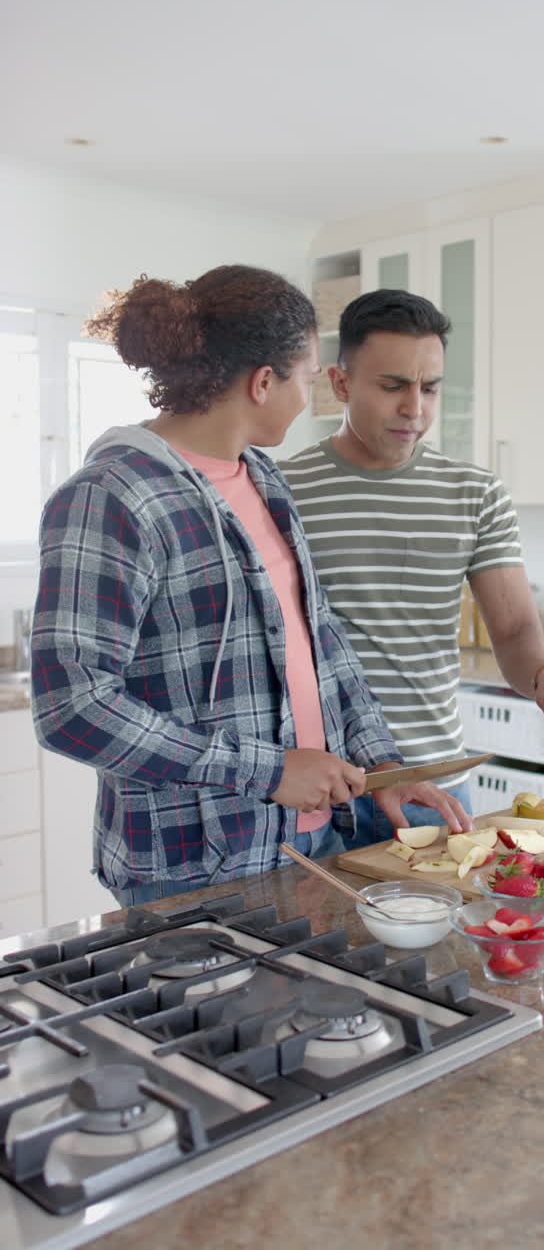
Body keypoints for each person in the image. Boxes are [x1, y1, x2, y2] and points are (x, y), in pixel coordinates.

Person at [30, 268, 474, 907]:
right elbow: (71, 706)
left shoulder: (263, 480)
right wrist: (268, 771)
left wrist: (383, 768)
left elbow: (322, 644)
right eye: (308, 377)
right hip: (193, 867)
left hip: (313, 844)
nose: (310, 396)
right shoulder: (112, 497)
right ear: (264, 382)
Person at [280, 289, 544, 849]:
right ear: (340, 383)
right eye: (393, 386)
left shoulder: (474, 494)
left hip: (437, 790)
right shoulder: (281, 488)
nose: (415, 409)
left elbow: (516, 630)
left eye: (429, 388)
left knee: (439, 939)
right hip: (322, 795)